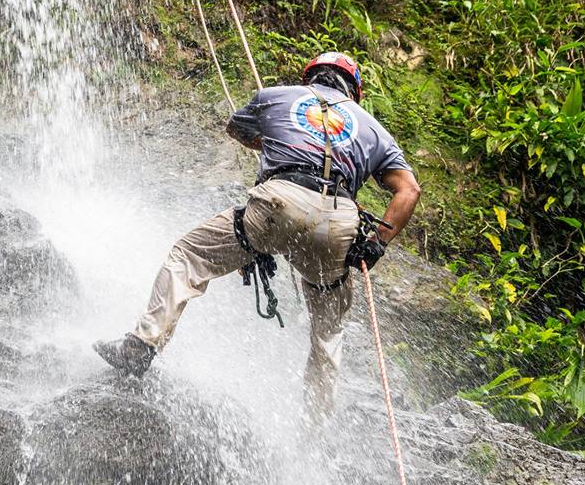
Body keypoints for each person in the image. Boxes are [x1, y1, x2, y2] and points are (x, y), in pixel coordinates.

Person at [94, 52, 421, 416]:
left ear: (309, 77)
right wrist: (375, 244)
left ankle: (142, 345)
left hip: (278, 201)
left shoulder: (277, 95)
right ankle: (315, 430)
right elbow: (408, 190)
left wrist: (282, 144)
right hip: (339, 221)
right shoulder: (373, 128)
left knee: (189, 256)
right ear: (354, 92)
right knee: (328, 335)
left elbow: (237, 128)